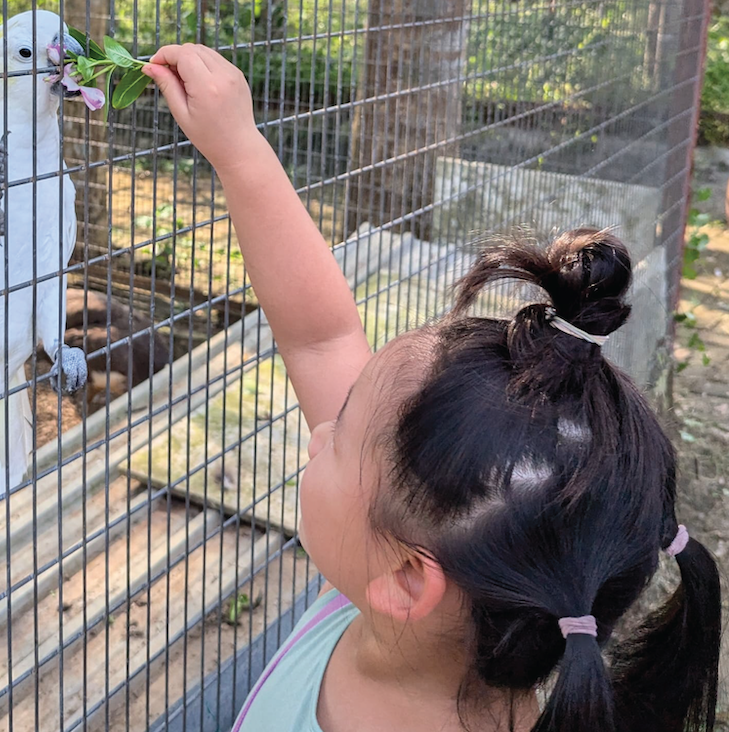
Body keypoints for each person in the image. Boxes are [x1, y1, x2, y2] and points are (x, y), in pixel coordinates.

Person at [141, 46, 722, 732]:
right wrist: (238, 148)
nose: (320, 429)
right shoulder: (399, 578)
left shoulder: (390, 572)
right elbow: (320, 337)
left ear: (411, 582)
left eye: (341, 436)